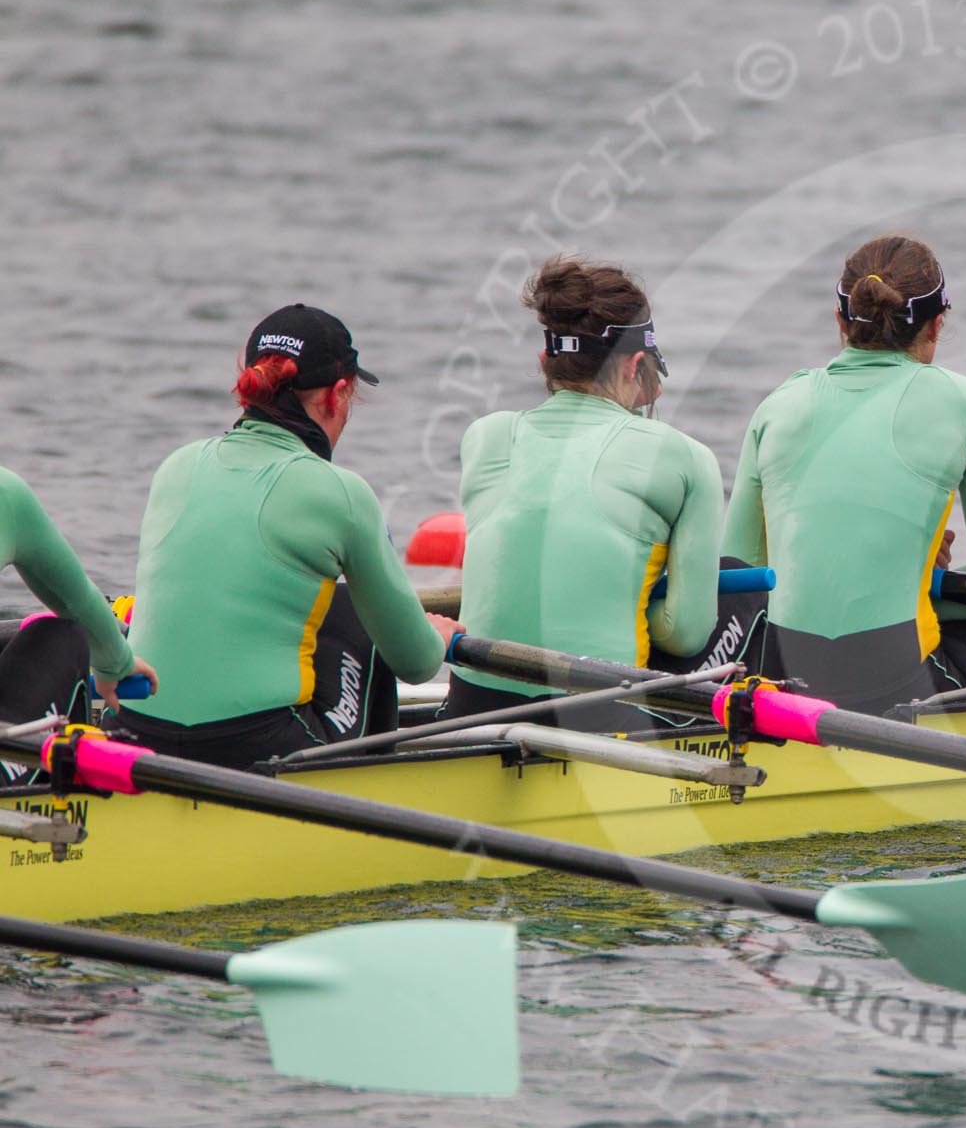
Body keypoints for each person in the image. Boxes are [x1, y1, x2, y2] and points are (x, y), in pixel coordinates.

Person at [119, 305, 461, 768]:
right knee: (359, 616)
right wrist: (434, 636)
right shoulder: (343, 494)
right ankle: (375, 795)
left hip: (136, 734)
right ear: (337, 395)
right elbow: (417, 664)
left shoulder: (176, 464)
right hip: (255, 744)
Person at [439, 256, 764, 731]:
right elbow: (685, 635)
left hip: (476, 705)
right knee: (743, 583)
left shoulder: (485, 436)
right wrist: (633, 597)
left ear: (544, 361)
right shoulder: (685, 457)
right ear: (636, 364)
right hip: (599, 715)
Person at [723, 234, 966, 713]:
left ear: (839, 322)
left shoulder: (776, 406)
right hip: (896, 687)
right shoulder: (963, 401)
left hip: (787, 688)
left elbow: (741, 580)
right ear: (936, 326)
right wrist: (916, 580)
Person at [0, 467, 156, 729]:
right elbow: (77, 603)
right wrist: (116, 665)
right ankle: (66, 761)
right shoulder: (6, 492)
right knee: (63, 636)